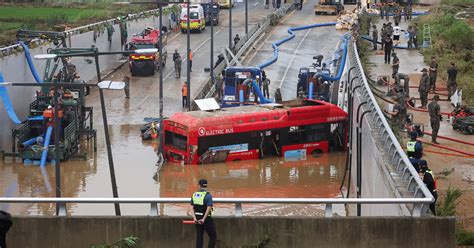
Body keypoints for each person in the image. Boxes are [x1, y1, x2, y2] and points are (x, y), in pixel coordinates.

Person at [190, 179, 217, 248]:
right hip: (206, 219)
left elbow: (191, 208)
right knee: (213, 236)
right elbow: (209, 208)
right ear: (206, 186)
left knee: (199, 237)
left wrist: (195, 218)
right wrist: (203, 219)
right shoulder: (208, 196)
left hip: (197, 218)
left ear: (199, 185)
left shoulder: (194, 195)